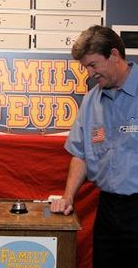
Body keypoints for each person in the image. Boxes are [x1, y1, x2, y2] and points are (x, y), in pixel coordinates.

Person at [50, 25, 138, 268]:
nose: (89, 73)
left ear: (114, 55)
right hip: (109, 209)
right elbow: (80, 154)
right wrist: (68, 197)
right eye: (85, 67)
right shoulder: (91, 100)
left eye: (93, 65)